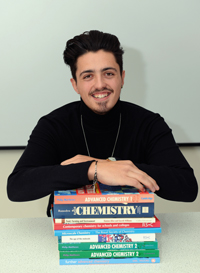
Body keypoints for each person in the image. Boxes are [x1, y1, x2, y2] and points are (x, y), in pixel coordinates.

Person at [7, 30, 198, 216]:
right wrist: (92, 169)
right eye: (88, 76)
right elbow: (17, 187)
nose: (99, 85)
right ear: (75, 84)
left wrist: (106, 165)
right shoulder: (53, 125)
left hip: (131, 233)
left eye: (108, 73)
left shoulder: (149, 123)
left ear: (122, 78)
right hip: (72, 235)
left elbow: (187, 187)